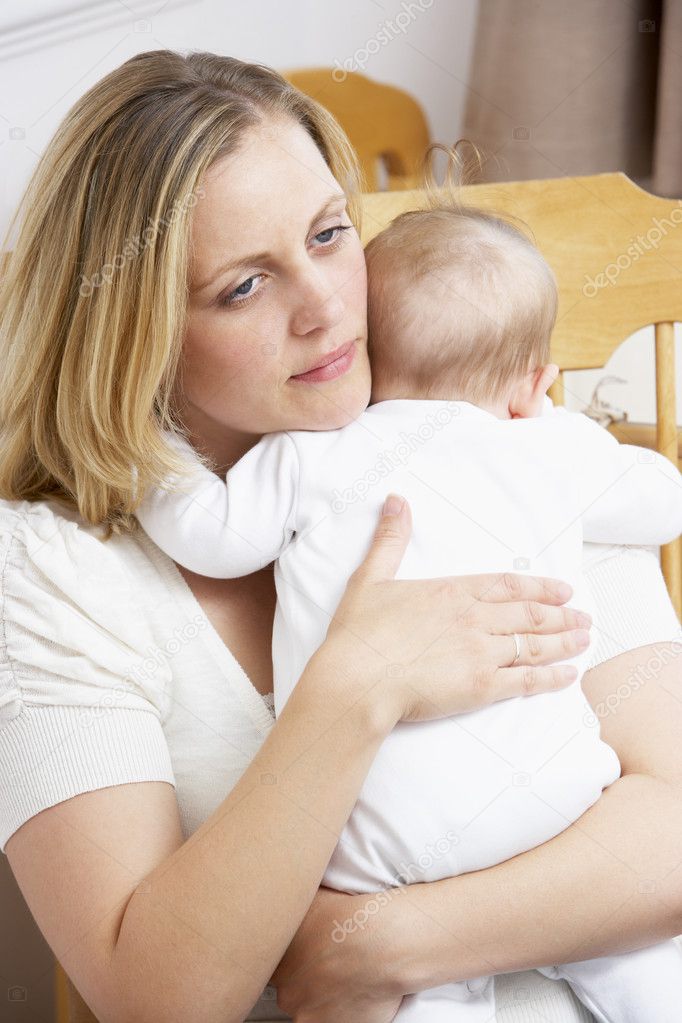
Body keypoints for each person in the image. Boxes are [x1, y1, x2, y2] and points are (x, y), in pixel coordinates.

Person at [0, 50, 680, 1023]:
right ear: (136, 332)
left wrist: (378, 947)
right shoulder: (50, 575)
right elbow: (160, 1000)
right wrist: (354, 688)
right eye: (243, 287)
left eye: (329, 235)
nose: (325, 311)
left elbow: (675, 838)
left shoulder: (510, 442)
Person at [135, 199, 682, 1022]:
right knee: (638, 958)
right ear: (535, 382)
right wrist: (557, 431)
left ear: (364, 350)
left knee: (425, 999)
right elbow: (663, 502)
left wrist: (150, 446)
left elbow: (207, 535)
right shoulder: (549, 450)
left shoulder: (313, 455)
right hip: (564, 814)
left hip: (392, 852)